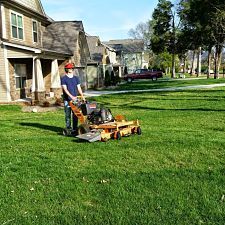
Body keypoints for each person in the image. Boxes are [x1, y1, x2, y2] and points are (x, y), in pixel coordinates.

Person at [61, 63, 85, 135]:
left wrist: (82, 96)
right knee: (68, 115)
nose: (70, 69)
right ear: (66, 69)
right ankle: (68, 128)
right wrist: (71, 96)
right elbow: (65, 89)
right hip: (67, 100)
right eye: (69, 68)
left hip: (75, 100)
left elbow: (79, 88)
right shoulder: (64, 78)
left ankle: (75, 129)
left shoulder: (76, 78)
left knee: (76, 115)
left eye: (71, 68)